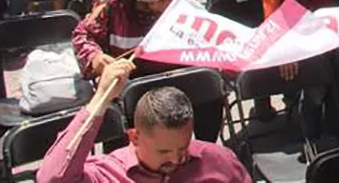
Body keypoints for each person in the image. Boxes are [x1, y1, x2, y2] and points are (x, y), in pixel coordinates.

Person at [37, 59, 252, 182]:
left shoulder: (219, 161)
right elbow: (52, 179)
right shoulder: (109, 174)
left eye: (182, 148)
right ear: (134, 137)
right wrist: (100, 98)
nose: (175, 160)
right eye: (163, 151)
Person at [72, 0, 188, 79]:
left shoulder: (187, 7)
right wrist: (94, 57)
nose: (168, 1)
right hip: (126, 82)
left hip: (176, 78)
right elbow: (83, 34)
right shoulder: (113, 9)